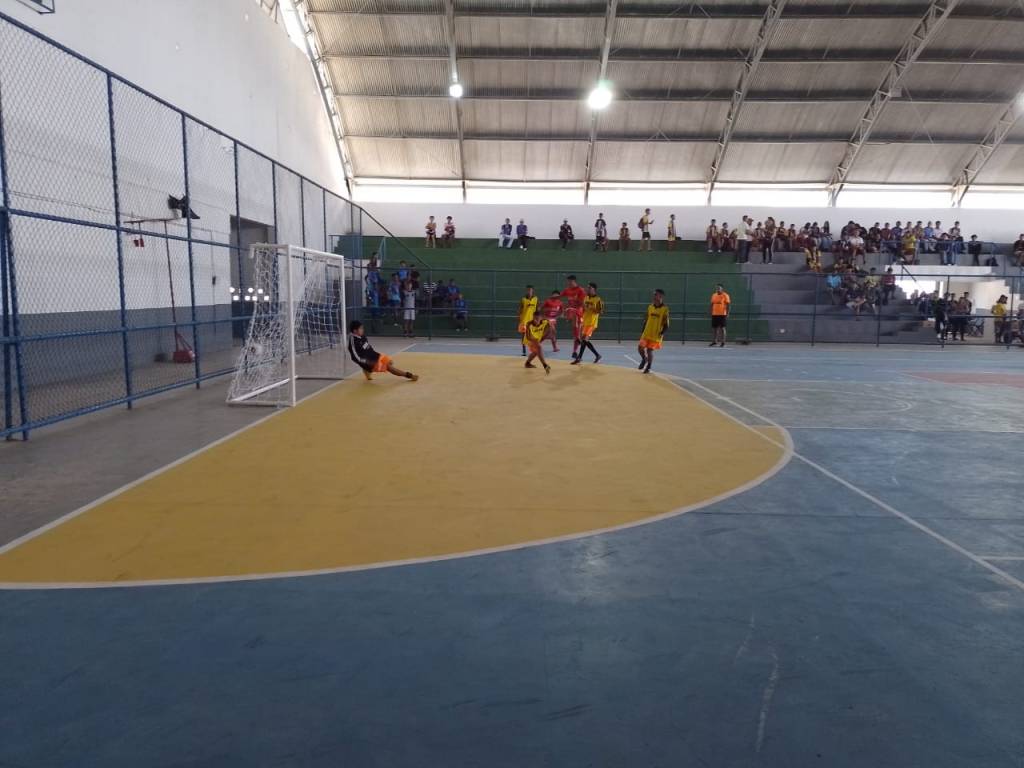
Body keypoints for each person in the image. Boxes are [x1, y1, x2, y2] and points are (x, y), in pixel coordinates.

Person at [348, 320, 418, 382]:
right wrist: (366, 362)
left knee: (390, 362)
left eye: (362, 328)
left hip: (374, 355)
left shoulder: (362, 335)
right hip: (368, 360)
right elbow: (355, 357)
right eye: (361, 328)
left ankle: (366, 370)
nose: (363, 330)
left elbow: (366, 347)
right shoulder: (353, 341)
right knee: (388, 367)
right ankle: (409, 375)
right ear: (355, 331)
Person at [637, 289, 669, 374]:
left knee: (649, 350)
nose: (654, 296)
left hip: (656, 334)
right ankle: (644, 359)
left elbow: (666, 324)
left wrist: (662, 333)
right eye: (654, 295)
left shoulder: (665, 309)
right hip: (647, 332)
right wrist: (643, 330)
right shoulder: (650, 307)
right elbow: (646, 319)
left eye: (656, 295)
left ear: (661, 296)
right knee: (640, 348)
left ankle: (648, 366)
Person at [572, 282, 604, 365]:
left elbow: (600, 311)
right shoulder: (586, 298)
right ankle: (597, 355)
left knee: (584, 339)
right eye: (587, 287)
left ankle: (579, 357)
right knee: (584, 340)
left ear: (594, 289)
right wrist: (581, 314)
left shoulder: (598, 299)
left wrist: (592, 308)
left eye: (589, 288)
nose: (588, 289)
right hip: (585, 322)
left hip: (592, 323)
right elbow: (584, 309)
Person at [560, 275, 587, 359]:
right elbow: (560, 296)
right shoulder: (567, 290)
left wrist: (584, 313)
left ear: (574, 281)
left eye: (569, 281)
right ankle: (577, 339)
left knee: (578, 333)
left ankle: (575, 351)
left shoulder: (581, 290)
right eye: (567, 281)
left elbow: (582, 303)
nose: (568, 283)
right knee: (576, 330)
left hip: (580, 311)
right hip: (572, 311)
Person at [518, 285, 538, 356]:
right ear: (526, 290)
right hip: (524, 320)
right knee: (523, 336)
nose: (529, 291)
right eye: (528, 290)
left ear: (533, 291)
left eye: (530, 290)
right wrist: (519, 317)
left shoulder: (535, 299)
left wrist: (537, 319)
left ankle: (533, 350)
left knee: (532, 336)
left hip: (532, 320)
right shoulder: (523, 299)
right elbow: (520, 309)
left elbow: (537, 310)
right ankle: (524, 351)